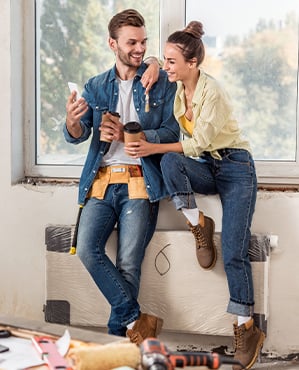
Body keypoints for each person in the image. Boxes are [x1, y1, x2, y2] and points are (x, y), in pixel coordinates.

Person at [126, 21, 264, 369]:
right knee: (171, 161)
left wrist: (150, 147)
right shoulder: (178, 86)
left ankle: (246, 328)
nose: (166, 67)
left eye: (173, 62)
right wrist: (157, 61)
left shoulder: (211, 92)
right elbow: (156, 61)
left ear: (192, 64)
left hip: (236, 169)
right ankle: (197, 222)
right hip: (207, 166)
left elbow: (198, 142)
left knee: (234, 250)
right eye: (167, 61)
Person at [64, 9, 180, 344]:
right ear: (112, 43)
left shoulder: (159, 80)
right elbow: (76, 133)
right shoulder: (96, 86)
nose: (139, 49)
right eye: (132, 42)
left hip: (140, 181)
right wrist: (73, 120)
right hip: (101, 182)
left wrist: (131, 135)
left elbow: (172, 131)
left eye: (144, 42)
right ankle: (136, 321)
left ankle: (118, 343)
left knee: (129, 263)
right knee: (87, 249)